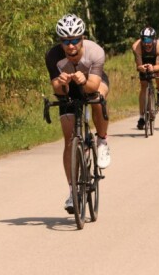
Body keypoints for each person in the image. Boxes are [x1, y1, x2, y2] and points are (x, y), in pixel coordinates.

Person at [45, 14, 111, 214]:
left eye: (75, 40)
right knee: (69, 139)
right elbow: (57, 89)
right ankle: (73, 191)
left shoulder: (95, 52)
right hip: (69, 89)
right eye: (66, 41)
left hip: (91, 81)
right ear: (60, 42)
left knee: (98, 98)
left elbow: (92, 86)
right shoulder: (53, 56)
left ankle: (102, 141)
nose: (71, 46)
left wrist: (82, 80)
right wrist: (63, 83)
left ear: (82, 38)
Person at [131, 26, 159, 130]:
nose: (146, 43)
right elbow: (138, 65)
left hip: (155, 63)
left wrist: (153, 68)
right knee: (143, 86)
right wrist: (141, 68)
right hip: (144, 62)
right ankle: (142, 117)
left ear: (154, 39)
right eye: (144, 40)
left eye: (149, 40)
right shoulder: (136, 47)